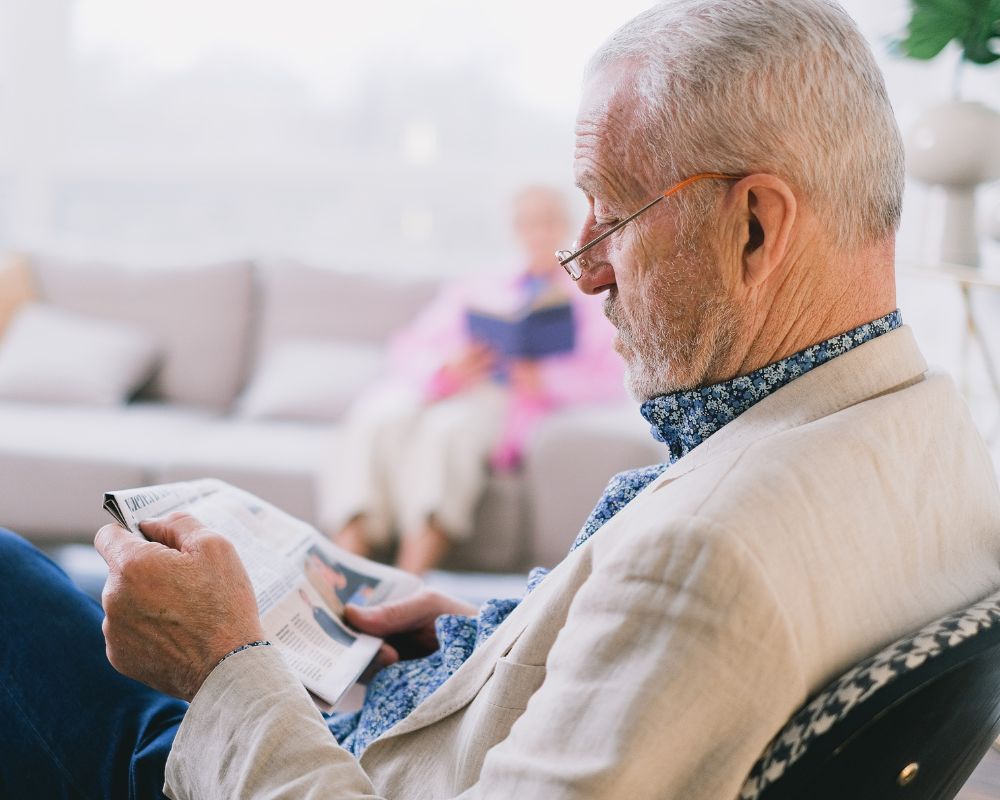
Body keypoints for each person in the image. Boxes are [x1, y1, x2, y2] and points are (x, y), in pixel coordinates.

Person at [2, 1, 1000, 798]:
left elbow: (675, 606)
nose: (584, 265)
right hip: (381, 732)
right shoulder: (928, 429)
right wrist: (483, 638)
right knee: (89, 601)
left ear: (755, 225)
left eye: (614, 210)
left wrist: (224, 665)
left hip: (302, 768)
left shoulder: (704, 563)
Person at [325, 185, 625, 574]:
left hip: (503, 399)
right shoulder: (479, 286)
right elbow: (409, 346)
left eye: (548, 222)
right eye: (528, 223)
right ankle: (345, 568)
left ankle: (406, 579)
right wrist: (447, 367)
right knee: (375, 419)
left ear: (565, 225)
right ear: (515, 229)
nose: (538, 232)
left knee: (447, 433)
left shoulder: (584, 294)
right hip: (447, 386)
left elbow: (611, 377)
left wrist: (544, 380)